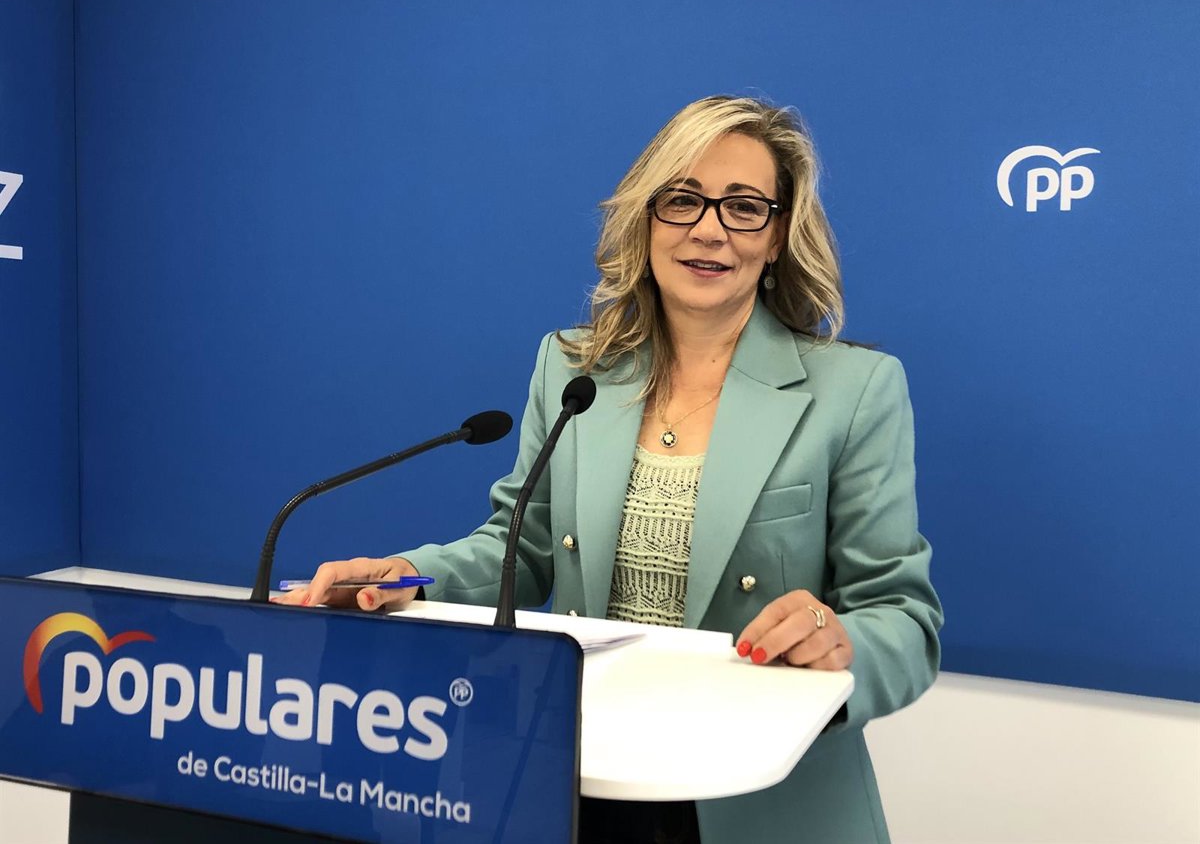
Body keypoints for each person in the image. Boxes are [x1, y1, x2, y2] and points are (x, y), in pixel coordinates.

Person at [277, 95, 943, 844]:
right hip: (578, 775)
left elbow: (903, 618)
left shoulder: (855, 390)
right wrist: (407, 576)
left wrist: (840, 641)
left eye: (744, 207)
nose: (709, 229)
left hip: (755, 795)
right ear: (645, 218)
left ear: (779, 235)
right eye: (683, 199)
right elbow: (520, 549)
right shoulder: (573, 368)